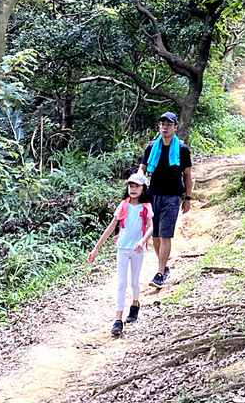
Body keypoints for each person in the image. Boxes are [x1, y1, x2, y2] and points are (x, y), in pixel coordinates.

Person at [88, 171, 154, 336]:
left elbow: (152, 227)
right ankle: (118, 319)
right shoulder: (123, 205)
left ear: (143, 189)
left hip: (137, 249)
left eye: (136, 186)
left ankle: (135, 304)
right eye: (131, 186)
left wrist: (142, 240)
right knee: (121, 283)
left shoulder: (146, 207)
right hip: (123, 248)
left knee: (134, 282)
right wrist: (96, 247)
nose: (133, 189)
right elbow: (111, 227)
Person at [138, 112, 192, 288]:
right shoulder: (152, 147)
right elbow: (142, 170)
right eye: (162, 124)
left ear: (175, 127)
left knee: (165, 234)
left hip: (172, 196)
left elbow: (187, 174)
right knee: (155, 237)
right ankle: (164, 266)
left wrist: (188, 198)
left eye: (169, 124)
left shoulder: (182, 149)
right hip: (153, 196)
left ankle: (160, 273)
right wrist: (136, 189)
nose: (165, 127)